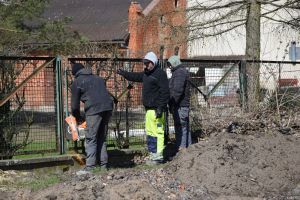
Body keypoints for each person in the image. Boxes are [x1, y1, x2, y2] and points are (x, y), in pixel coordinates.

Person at [117, 52, 169, 165]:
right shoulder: (146, 74)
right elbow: (135, 76)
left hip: (157, 110)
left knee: (158, 133)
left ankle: (158, 156)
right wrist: (124, 73)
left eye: (147, 63)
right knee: (150, 132)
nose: (145, 65)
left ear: (153, 62)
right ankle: (152, 153)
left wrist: (161, 107)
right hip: (149, 110)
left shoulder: (160, 74)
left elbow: (165, 93)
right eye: (144, 63)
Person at [71, 63, 113, 175]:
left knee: (91, 138)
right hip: (108, 107)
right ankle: (104, 166)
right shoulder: (98, 79)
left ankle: (90, 167)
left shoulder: (77, 82)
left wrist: (78, 118)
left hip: (94, 109)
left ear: (75, 74)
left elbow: (74, 107)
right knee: (101, 137)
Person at [167, 55, 191, 153]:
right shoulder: (179, 72)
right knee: (184, 128)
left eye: (170, 65)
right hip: (181, 105)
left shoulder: (179, 73)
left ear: (174, 63)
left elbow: (177, 90)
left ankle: (182, 151)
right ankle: (188, 149)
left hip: (180, 105)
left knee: (181, 127)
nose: (169, 67)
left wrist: (172, 103)